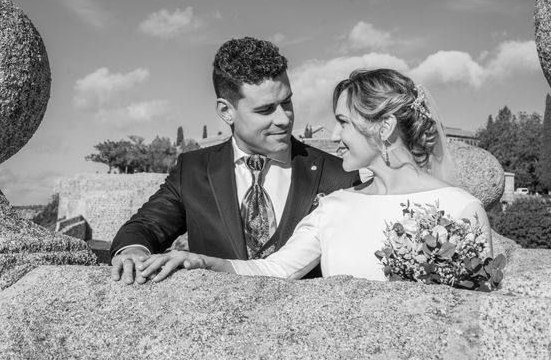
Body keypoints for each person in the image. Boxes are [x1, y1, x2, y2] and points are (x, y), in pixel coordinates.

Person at [138, 68, 494, 282]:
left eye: (343, 123)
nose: (335, 136)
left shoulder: (460, 209)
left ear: (384, 127)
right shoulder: (334, 207)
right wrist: (200, 261)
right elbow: (274, 270)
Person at [110, 37, 359, 284]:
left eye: (287, 102)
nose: (284, 119)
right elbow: (145, 226)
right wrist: (134, 252)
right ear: (226, 111)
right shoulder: (193, 170)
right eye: (265, 110)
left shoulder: (339, 174)